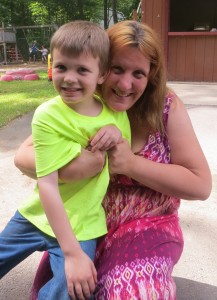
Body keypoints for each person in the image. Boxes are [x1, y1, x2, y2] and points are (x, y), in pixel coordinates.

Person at [15, 20, 212, 300]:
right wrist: (72, 168)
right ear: (102, 68)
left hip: (147, 225)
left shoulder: (166, 108)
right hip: (85, 224)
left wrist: (131, 165)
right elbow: (24, 157)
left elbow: (200, 185)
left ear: (151, 75)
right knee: (70, 292)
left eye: (138, 73)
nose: (124, 84)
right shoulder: (83, 100)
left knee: (128, 292)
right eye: (117, 69)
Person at [0, 20, 131, 300]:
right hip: (36, 216)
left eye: (82, 69)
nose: (69, 78)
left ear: (102, 74)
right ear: (51, 67)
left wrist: (116, 132)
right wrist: (71, 253)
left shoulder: (116, 115)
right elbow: (47, 185)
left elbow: (124, 154)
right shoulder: (48, 115)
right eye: (61, 67)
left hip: (83, 224)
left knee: (74, 289)